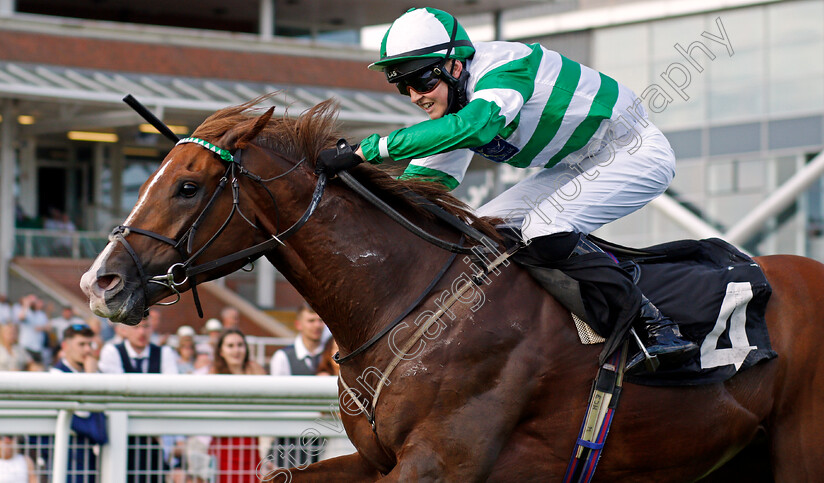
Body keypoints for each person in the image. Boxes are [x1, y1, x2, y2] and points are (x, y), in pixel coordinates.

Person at [316, 7, 698, 372]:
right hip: (577, 164)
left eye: (422, 81)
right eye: (404, 87)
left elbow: (478, 126)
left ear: (455, 65)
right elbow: (424, 188)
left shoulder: (504, 67)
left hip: (633, 149)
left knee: (542, 230)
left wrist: (366, 151)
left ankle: (654, 327)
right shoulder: (457, 109)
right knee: (483, 230)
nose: (416, 96)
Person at [98, 320, 177, 482]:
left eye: (146, 327)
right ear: (123, 330)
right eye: (136, 326)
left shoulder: (165, 352)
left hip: (155, 439)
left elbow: (171, 392)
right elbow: (117, 394)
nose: (141, 332)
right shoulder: (111, 351)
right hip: (121, 438)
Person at [268, 305, 326, 468]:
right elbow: (280, 401)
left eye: (321, 320)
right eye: (311, 320)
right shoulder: (282, 357)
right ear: (299, 324)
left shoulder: (334, 355)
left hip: (327, 437)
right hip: (292, 440)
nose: (317, 325)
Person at [50, 323, 108, 483]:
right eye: (81, 344)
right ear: (65, 346)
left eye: (91, 344)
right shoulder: (56, 376)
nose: (88, 350)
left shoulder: (97, 372)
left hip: (89, 461)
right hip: (65, 461)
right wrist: (91, 377)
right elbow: (90, 424)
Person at [208, 329, 265, 483]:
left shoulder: (256, 371)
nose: (236, 350)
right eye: (230, 346)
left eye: (240, 345)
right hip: (223, 445)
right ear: (221, 351)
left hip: (250, 444)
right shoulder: (213, 375)